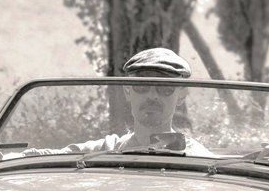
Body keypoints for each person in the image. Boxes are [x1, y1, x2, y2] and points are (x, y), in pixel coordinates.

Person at [15, 47, 212, 157]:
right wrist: (4, 158)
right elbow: (53, 155)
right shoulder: (109, 148)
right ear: (127, 91)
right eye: (142, 86)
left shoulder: (197, 157)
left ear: (181, 96)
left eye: (164, 87)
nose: (152, 95)